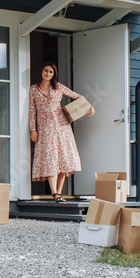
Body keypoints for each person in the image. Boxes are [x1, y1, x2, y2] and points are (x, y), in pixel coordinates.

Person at [28, 62, 93, 202]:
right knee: (51, 159)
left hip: (62, 127)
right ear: (42, 71)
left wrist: (89, 107)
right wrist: (33, 129)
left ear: (53, 74)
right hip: (45, 129)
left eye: (51, 72)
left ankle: (58, 194)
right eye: (46, 70)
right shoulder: (33, 89)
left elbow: (77, 96)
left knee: (63, 159)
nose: (48, 74)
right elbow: (32, 111)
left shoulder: (59, 87)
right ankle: (54, 193)